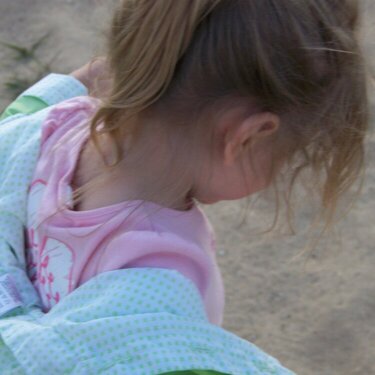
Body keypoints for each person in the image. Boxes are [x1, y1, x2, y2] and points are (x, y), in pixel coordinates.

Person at [0, 0, 368, 374]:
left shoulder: (50, 126)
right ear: (248, 136)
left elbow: (36, 106)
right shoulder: (160, 273)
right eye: (285, 157)